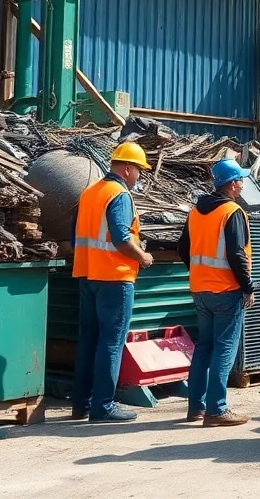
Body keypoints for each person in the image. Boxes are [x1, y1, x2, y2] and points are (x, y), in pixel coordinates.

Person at [71, 141, 155, 423]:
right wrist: (142, 256)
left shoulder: (90, 192)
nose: (140, 177)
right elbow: (120, 237)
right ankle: (103, 406)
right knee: (111, 342)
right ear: (128, 168)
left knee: (89, 340)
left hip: (87, 274)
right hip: (114, 277)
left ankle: (81, 404)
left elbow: (76, 238)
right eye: (140, 171)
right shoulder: (118, 195)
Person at [178, 158, 256, 426]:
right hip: (226, 290)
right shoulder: (232, 212)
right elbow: (236, 254)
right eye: (241, 179)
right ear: (232, 184)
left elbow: (182, 248)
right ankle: (217, 410)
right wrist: (248, 287)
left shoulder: (195, 211)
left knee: (203, 348)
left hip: (201, 289)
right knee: (224, 349)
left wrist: (198, 272)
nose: (243, 183)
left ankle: (196, 408)